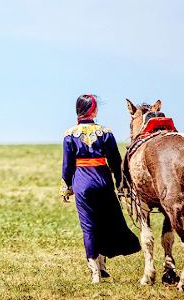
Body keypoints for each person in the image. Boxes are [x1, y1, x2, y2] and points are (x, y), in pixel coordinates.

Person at [60, 94, 140, 283]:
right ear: (93, 111)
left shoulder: (69, 134)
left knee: (89, 228)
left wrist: (66, 187)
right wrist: (121, 182)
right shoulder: (106, 132)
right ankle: (103, 268)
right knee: (105, 223)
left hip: (81, 182)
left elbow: (67, 164)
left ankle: (95, 272)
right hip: (103, 180)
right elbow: (115, 161)